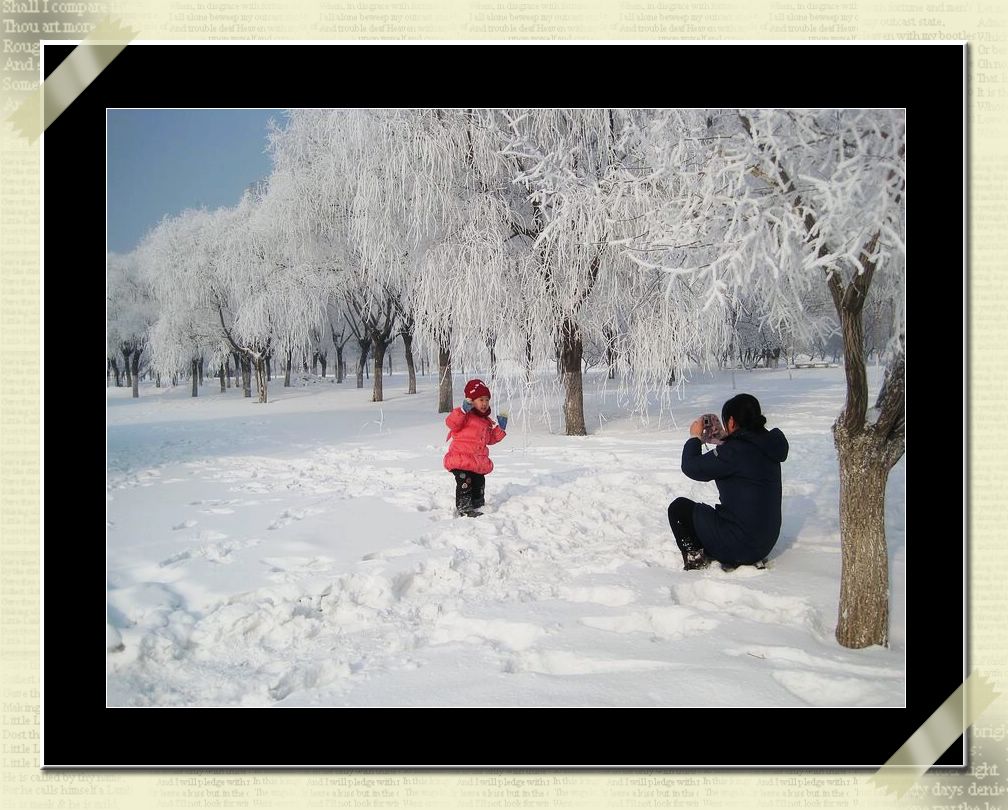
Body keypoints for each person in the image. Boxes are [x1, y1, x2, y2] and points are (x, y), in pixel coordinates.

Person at [668, 393, 789, 570]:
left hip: (738, 545)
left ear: (731, 422)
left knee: (679, 509)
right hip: (764, 544)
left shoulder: (733, 452)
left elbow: (691, 466)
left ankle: (696, 561)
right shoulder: (769, 444)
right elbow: (744, 453)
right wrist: (725, 440)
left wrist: (695, 438)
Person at [444, 378, 508, 517]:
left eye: (486, 400)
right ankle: (464, 508)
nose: (484, 403)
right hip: (460, 460)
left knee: (479, 482)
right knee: (465, 481)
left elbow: (490, 439)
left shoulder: (486, 421)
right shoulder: (464, 415)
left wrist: (500, 429)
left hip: (476, 461)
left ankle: (478, 504)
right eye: (480, 399)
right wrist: (462, 411)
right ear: (471, 401)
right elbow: (451, 423)